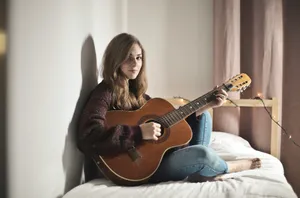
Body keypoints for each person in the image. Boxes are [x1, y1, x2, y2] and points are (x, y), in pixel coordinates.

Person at [77, 33, 261, 184]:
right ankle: (226, 167)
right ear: (115, 59)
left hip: (161, 158)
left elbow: (169, 121)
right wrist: (137, 133)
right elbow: (88, 135)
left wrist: (208, 104)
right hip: (141, 168)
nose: (135, 63)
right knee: (202, 153)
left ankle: (201, 168)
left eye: (139, 57)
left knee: (204, 117)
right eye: (128, 57)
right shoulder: (105, 91)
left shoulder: (138, 94)